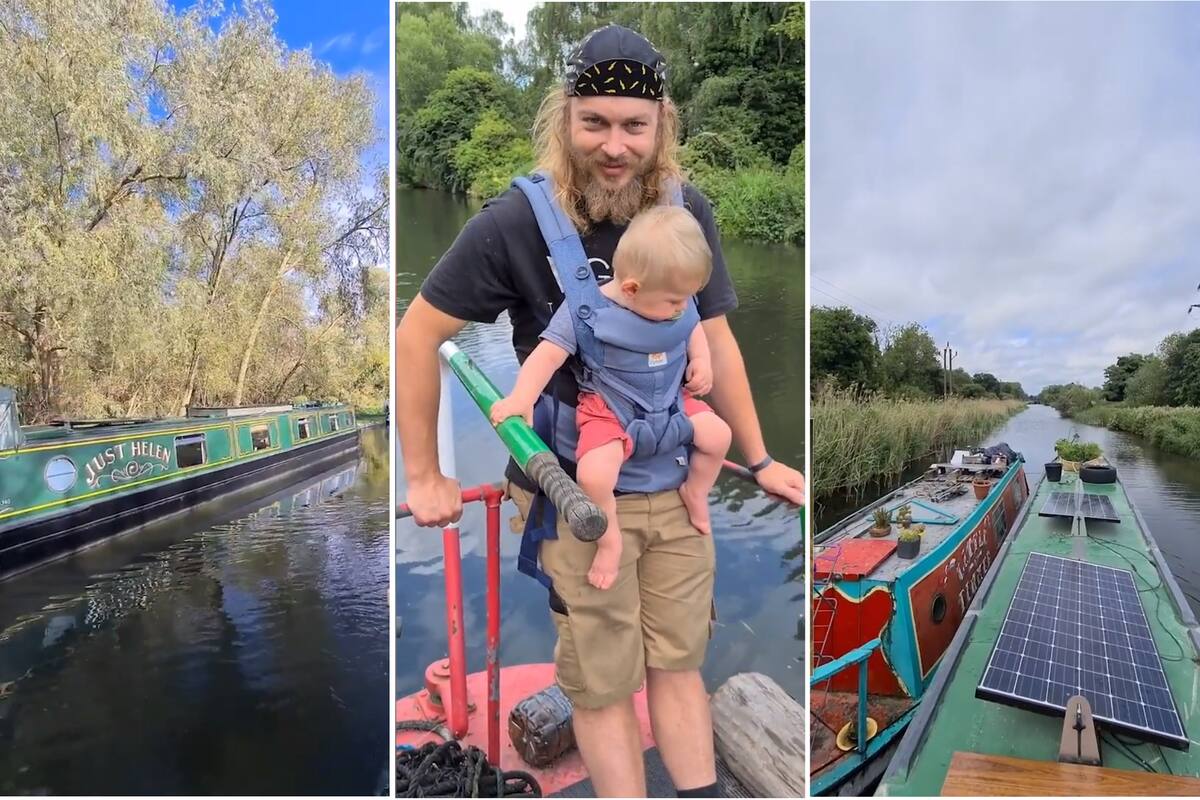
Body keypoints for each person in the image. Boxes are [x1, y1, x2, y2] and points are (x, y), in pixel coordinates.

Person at [396, 23, 805, 798]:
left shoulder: (689, 214)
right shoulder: (512, 223)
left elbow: (719, 344)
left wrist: (758, 458)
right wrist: (424, 472)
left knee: (678, 661)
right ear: (565, 118)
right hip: (573, 490)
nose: (613, 146)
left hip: (673, 473)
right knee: (603, 680)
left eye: (633, 126)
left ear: (661, 127)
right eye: (594, 123)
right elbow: (418, 335)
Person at [488, 206, 732, 590]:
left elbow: (692, 327)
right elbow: (547, 355)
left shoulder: (676, 302)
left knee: (719, 436)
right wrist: (521, 398)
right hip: (610, 412)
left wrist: (701, 361)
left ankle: (695, 490)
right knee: (594, 474)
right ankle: (610, 538)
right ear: (632, 288)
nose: (681, 307)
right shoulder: (585, 311)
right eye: (674, 300)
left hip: (670, 403)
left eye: (688, 297)